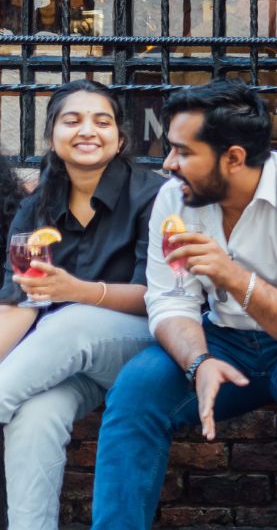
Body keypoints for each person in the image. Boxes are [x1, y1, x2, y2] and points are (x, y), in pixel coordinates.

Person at [91, 80, 277, 529]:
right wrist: (199, 361)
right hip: (225, 338)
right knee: (135, 391)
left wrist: (231, 274)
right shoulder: (175, 197)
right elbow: (170, 299)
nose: (168, 164)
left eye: (184, 152)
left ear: (233, 158)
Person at [0, 80, 163, 529]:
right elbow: (18, 302)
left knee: (72, 320)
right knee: (35, 414)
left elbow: (162, 299)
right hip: (72, 362)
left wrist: (79, 291)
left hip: (149, 352)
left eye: (102, 121)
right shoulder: (37, 208)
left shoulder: (155, 196)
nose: (87, 130)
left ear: (121, 137)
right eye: (72, 120)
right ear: (52, 135)